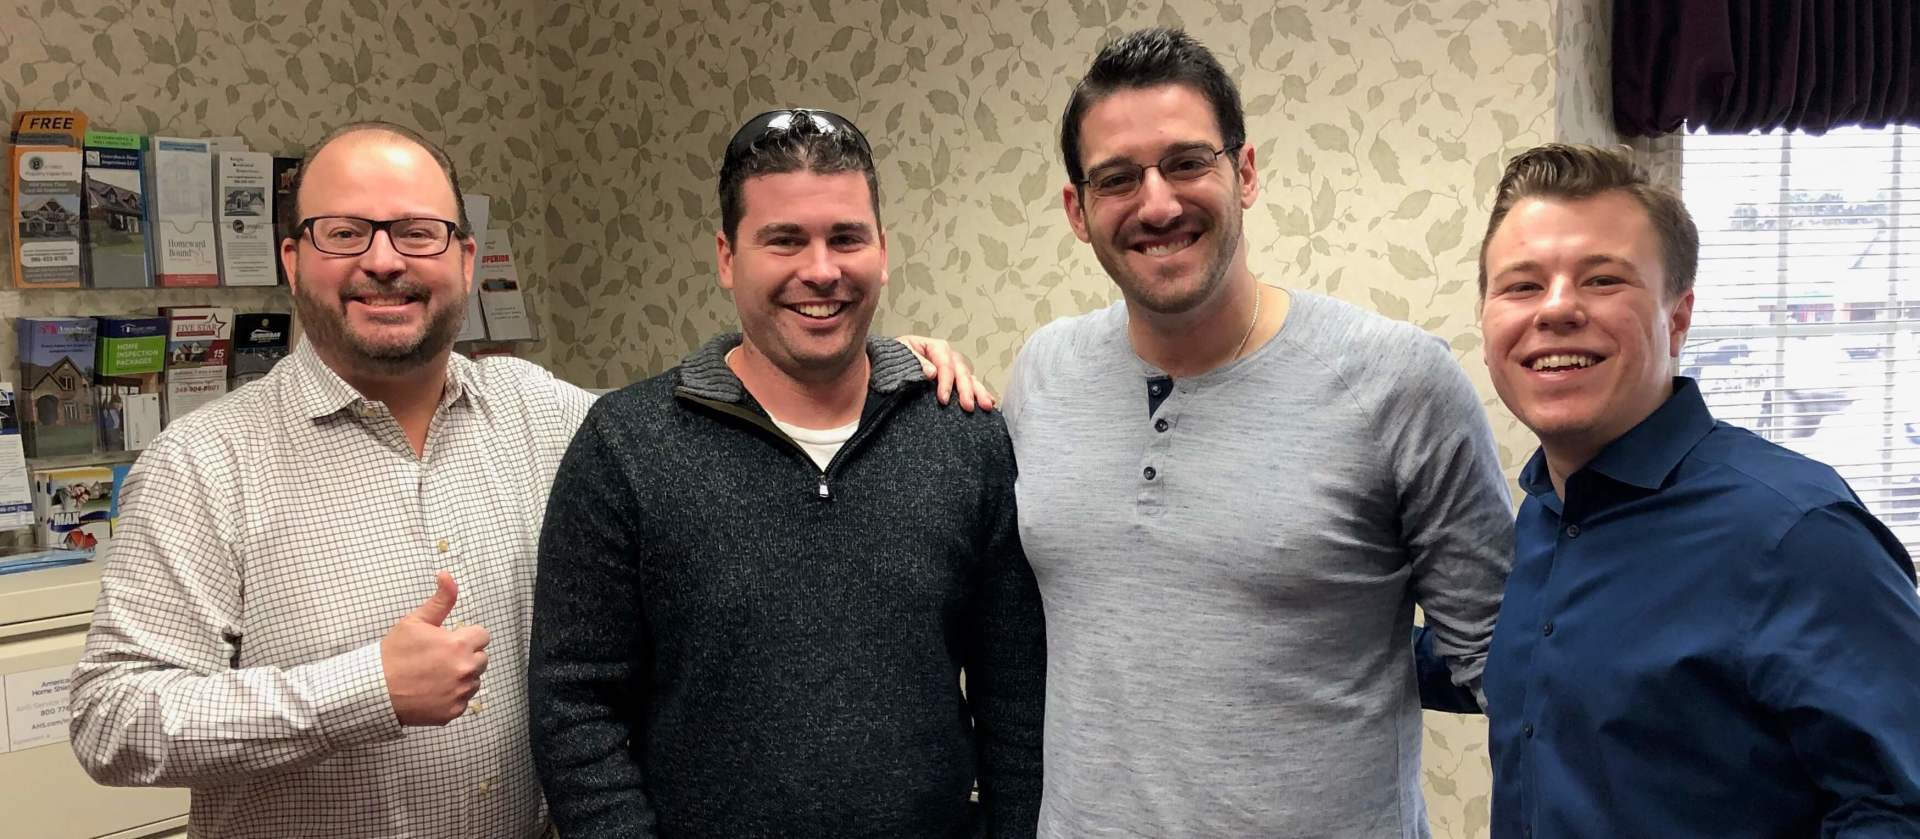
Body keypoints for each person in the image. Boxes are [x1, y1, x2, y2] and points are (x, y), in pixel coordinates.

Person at [998, 28, 1513, 837]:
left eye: (1187, 162)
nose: (1157, 202)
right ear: (1078, 210)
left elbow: (1509, 673)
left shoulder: (1400, 382)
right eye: (1118, 178)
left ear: (1244, 172)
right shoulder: (1040, 373)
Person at [526, 108, 1046, 838]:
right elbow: (575, 705)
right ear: (726, 256)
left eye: (846, 237)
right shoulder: (627, 447)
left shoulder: (965, 437)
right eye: (785, 240)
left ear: (884, 251)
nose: (822, 270)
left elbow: (1015, 698)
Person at [66, 122, 594, 838]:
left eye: (417, 232)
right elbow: (113, 717)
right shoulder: (203, 462)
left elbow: (683, 447)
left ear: (466, 260)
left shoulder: (540, 412)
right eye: (345, 232)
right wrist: (363, 689)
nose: (383, 260)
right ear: (292, 260)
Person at [1472, 143, 1920, 836]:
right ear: (1487, 319)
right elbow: (1539, 669)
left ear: (1677, 317)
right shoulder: (1545, 514)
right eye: (1522, 285)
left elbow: (1899, 807)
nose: (1556, 308)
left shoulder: (1797, 533)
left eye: (1601, 280)